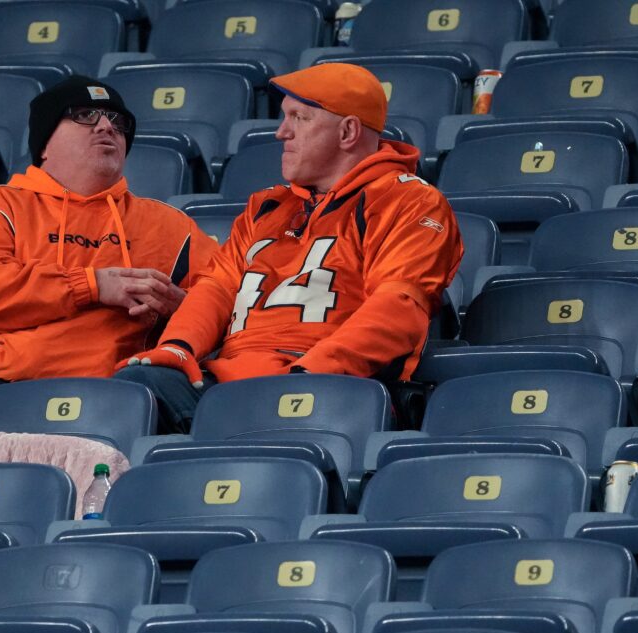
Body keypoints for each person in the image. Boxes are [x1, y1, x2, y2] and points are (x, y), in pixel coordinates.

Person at [116, 63, 464, 434]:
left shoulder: (408, 200)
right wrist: (178, 347)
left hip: (330, 388)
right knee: (137, 389)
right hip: (229, 384)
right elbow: (216, 288)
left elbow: (398, 307)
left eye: (299, 118)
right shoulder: (266, 207)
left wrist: (309, 372)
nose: (282, 133)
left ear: (347, 131)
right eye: (284, 118)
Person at [0, 75, 218, 435]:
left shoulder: (171, 226)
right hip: (1, 383)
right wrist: (92, 285)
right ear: (45, 144)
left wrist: (182, 307)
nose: (106, 126)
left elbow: (227, 306)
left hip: (117, 393)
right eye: (84, 115)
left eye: (118, 121)